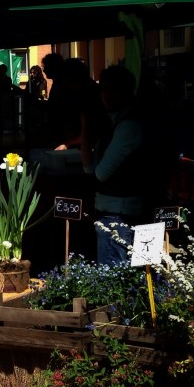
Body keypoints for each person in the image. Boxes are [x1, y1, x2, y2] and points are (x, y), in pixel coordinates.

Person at [81, 65, 153, 266]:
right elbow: (89, 169)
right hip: (110, 213)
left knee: (115, 283)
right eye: (104, 89)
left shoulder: (129, 126)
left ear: (127, 91)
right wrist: (85, 128)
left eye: (113, 89)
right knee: (113, 282)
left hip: (120, 215)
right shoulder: (115, 124)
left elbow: (100, 175)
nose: (107, 95)